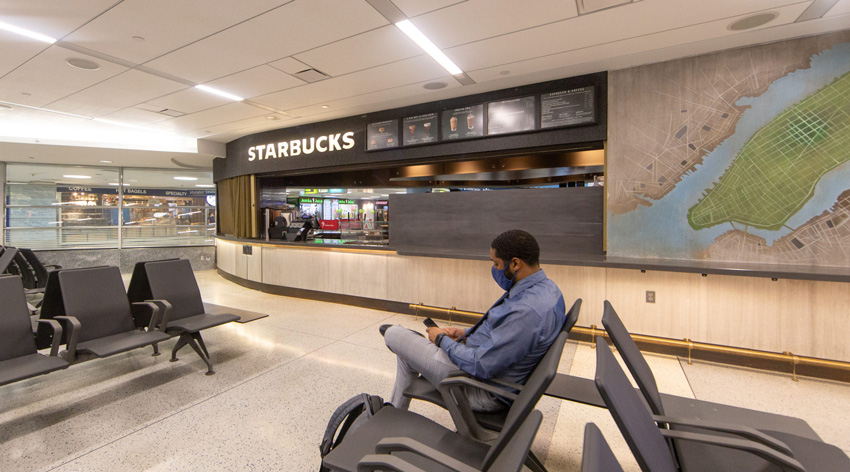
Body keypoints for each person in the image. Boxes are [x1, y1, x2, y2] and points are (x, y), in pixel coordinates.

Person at [381, 229, 566, 412]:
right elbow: (504, 335)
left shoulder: (526, 312)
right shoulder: (548, 290)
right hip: (486, 368)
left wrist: (441, 340)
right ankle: (394, 413)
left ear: (515, 263)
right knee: (406, 353)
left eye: (496, 264)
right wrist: (465, 334)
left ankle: (393, 406)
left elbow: (481, 365)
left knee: (393, 334)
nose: (494, 269)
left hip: (477, 387)